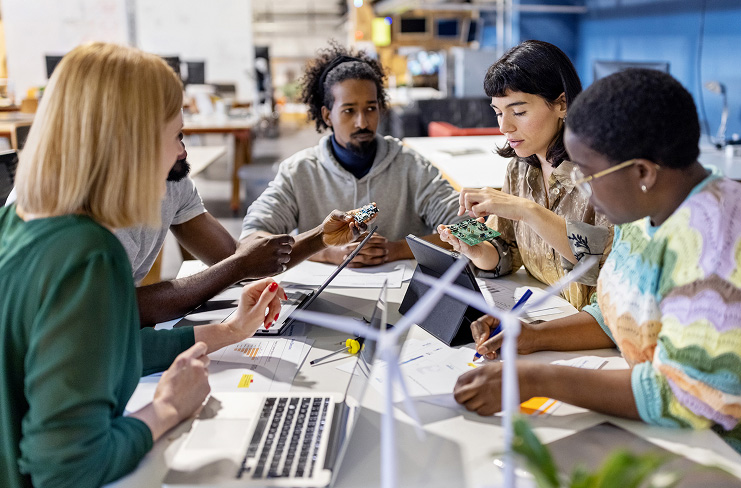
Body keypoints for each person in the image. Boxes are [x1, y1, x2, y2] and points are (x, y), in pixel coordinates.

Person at [453, 68, 741, 487]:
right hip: (687, 432)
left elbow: (691, 398)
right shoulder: (646, 210)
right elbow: (617, 312)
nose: (584, 192)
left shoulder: (720, 236)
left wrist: (535, 378)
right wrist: (532, 335)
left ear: (642, 172)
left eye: (586, 176)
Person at [0, 43, 292, 488]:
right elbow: (66, 468)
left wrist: (231, 331)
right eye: (176, 135)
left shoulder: (17, 223)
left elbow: (102, 354)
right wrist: (168, 408)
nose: (181, 153)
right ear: (131, 144)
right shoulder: (89, 254)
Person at [116, 133, 376, 326]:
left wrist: (321, 237)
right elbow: (123, 309)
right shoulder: (104, 210)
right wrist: (239, 268)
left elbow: (235, 257)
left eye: (182, 135)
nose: (184, 152)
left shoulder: (176, 183)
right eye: (173, 137)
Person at [241, 41, 463, 267]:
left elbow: (470, 229)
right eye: (349, 111)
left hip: (404, 289)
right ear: (327, 116)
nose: (362, 122)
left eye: (371, 108)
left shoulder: (412, 167)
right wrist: (327, 251)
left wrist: (397, 249)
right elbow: (251, 240)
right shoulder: (298, 171)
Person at [438, 40, 612, 309]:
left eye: (518, 112)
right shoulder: (519, 170)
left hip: (591, 325)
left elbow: (605, 266)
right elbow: (507, 250)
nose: (504, 127)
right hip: (543, 310)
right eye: (498, 113)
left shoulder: (603, 174)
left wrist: (527, 211)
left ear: (562, 104)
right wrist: (477, 250)